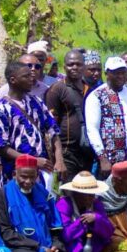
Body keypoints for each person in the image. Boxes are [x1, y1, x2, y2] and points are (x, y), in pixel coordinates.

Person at [0, 154, 87, 252]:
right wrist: (39, 249)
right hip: (21, 247)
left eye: (32, 177)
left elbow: (55, 226)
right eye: (23, 177)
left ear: (37, 174)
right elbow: (6, 232)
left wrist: (55, 247)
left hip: (48, 246)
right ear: (14, 174)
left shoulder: (43, 193)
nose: (28, 181)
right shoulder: (1, 195)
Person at [0, 61, 65, 184]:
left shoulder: (36, 102)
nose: (31, 78)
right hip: (16, 175)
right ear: (13, 80)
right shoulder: (1, 108)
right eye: (26, 76)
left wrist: (59, 159)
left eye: (31, 75)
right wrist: (32, 160)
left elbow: (53, 131)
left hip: (41, 174)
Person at [86, 56, 127, 178]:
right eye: (116, 73)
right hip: (110, 160)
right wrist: (103, 158)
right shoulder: (96, 96)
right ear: (107, 74)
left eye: (123, 73)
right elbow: (92, 129)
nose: (120, 76)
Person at [45, 49, 95, 180]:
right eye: (70, 64)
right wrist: (58, 158)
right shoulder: (57, 89)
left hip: (88, 152)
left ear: (84, 66)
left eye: (78, 64)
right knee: (67, 194)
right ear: (64, 67)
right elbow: (50, 128)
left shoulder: (90, 90)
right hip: (67, 153)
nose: (74, 67)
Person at [57, 171, 113, 252]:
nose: (89, 198)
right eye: (85, 195)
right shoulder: (64, 204)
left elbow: (109, 231)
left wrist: (96, 218)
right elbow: (65, 235)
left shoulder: (96, 204)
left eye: (92, 194)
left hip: (93, 249)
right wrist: (82, 222)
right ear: (76, 193)